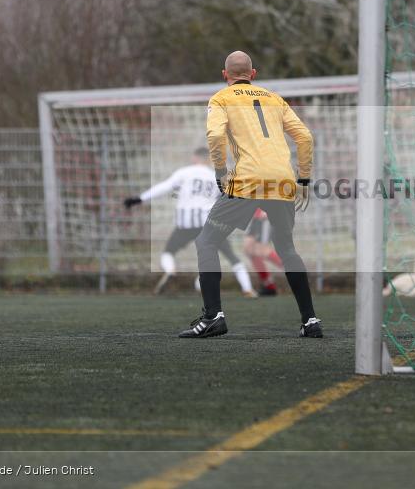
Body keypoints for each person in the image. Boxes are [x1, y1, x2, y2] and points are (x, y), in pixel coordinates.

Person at [180, 50, 321, 338]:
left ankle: (213, 317)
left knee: (207, 240)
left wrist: (220, 172)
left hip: (247, 181)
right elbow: (305, 137)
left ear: (225, 75)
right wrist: (303, 179)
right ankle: (311, 321)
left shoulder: (221, 98)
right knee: (286, 248)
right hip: (282, 182)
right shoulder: (274, 98)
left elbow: (216, 135)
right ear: (253, 74)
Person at [123, 147, 256, 297]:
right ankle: (247, 289)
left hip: (186, 224)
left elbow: (164, 188)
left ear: (194, 158)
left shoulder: (184, 172)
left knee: (168, 252)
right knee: (230, 256)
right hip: (209, 223)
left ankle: (170, 270)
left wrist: (139, 199)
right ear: (209, 159)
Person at [243, 208, 284, 296]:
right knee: (249, 250)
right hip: (252, 212)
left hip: (263, 212)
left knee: (262, 249)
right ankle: (269, 286)